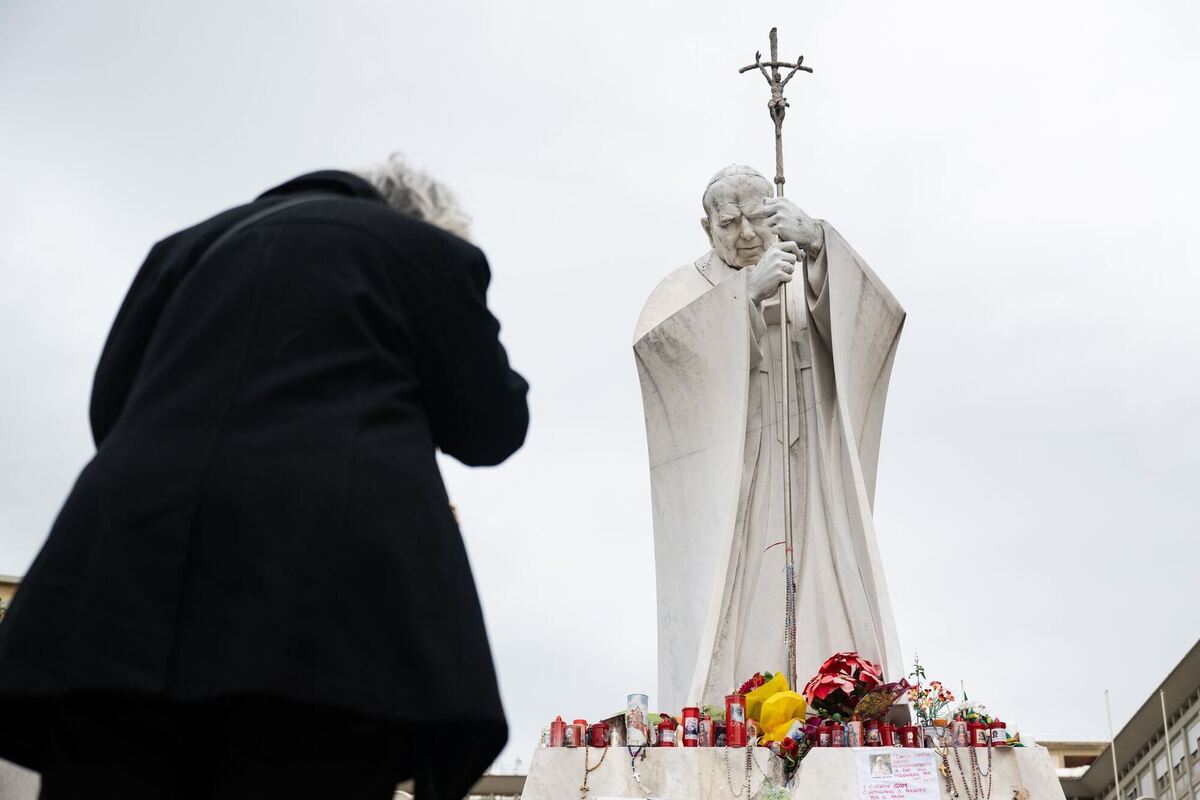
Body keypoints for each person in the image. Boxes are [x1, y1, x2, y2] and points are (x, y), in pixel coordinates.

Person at [0, 156, 529, 799]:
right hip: (324, 607)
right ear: (427, 220)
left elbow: (111, 407)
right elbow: (490, 426)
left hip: (126, 592)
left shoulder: (183, 249)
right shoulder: (423, 251)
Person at [634, 165, 905, 710]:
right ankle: (731, 706)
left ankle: (835, 701)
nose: (748, 235)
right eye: (730, 223)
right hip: (735, 475)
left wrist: (822, 245)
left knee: (823, 576)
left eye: (759, 218)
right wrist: (742, 299)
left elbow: (877, 318)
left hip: (810, 471)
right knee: (741, 593)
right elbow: (662, 357)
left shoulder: (801, 268)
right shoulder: (683, 288)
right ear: (706, 226)